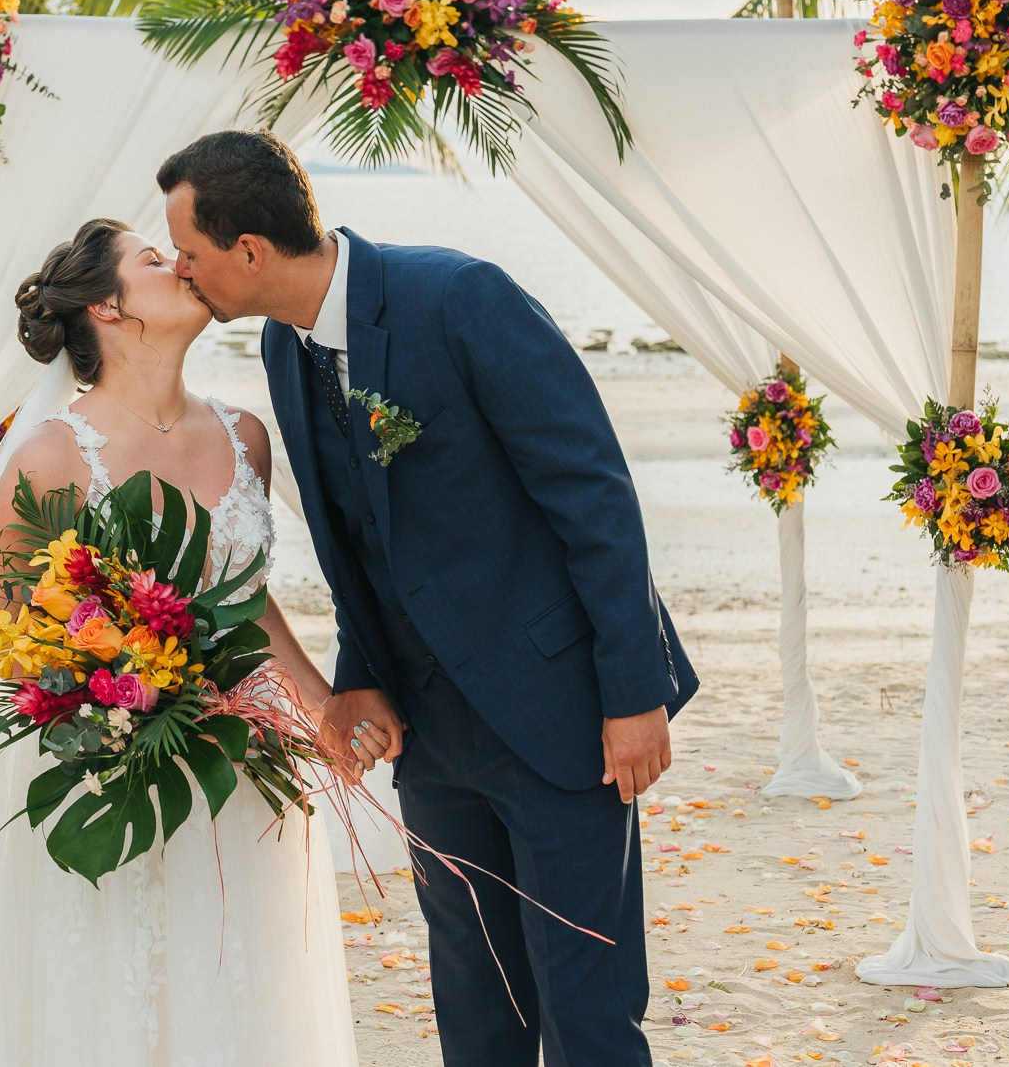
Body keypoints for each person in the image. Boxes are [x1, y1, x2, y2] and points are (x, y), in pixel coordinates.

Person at [159, 130, 698, 1067]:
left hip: (561, 712)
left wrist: (633, 693)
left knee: (588, 1009)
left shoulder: (457, 296)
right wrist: (359, 679)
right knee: (475, 1007)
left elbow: (593, 491)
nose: (179, 269)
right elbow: (361, 544)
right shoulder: (287, 353)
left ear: (248, 251)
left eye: (190, 252)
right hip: (430, 736)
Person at [0, 218, 355, 1067]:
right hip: (107, 776)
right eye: (154, 260)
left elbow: (251, 604)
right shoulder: (50, 458)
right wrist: (129, 694)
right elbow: (10, 650)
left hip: (235, 774)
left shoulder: (246, 435)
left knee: (232, 992)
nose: (182, 266)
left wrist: (324, 704)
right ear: (108, 306)